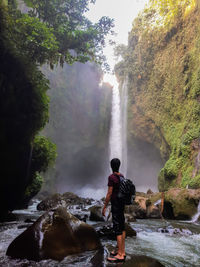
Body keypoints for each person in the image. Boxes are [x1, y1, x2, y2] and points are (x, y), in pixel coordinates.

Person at [102, 158, 126, 263]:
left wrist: (104, 206)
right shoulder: (122, 176)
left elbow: (109, 193)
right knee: (122, 226)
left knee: (117, 228)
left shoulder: (111, 177)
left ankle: (120, 255)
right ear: (119, 166)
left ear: (111, 166)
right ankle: (122, 251)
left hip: (116, 204)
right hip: (122, 205)